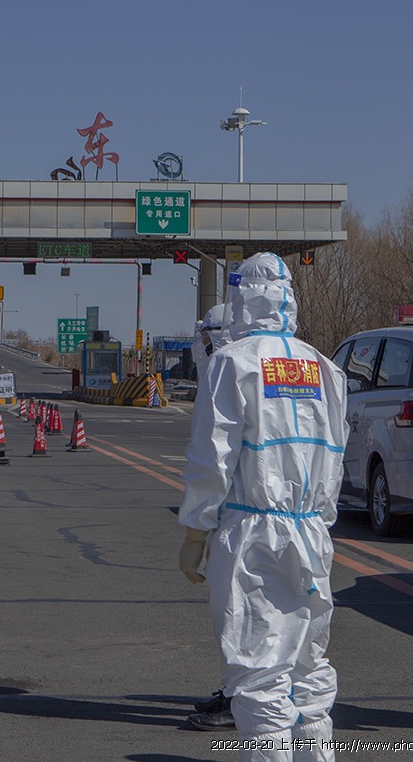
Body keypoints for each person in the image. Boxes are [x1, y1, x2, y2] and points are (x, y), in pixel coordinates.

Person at [178, 253, 348, 762]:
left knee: (258, 672)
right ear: (288, 297)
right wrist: (319, 520)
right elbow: (335, 454)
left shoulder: (232, 362)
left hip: (252, 534)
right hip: (311, 530)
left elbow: (213, 455)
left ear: (239, 298)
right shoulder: (325, 368)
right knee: (307, 667)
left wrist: (195, 530)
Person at [185, 300, 237, 731]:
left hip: (245, 519)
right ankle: (243, 694)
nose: (200, 343)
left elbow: (213, 459)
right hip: (300, 523)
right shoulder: (313, 368)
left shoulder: (230, 372)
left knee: (238, 613)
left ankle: (243, 702)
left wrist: (195, 530)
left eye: (206, 335)